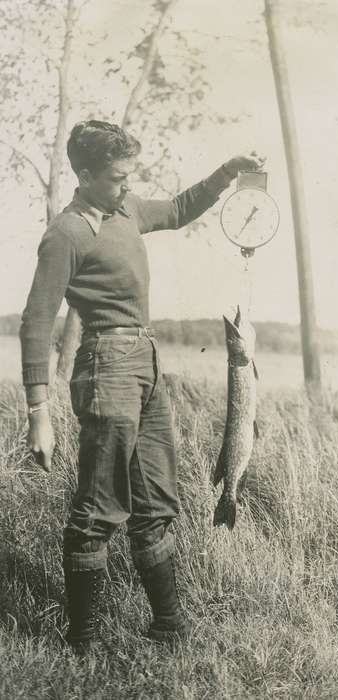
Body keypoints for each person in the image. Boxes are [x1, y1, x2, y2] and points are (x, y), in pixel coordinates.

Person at [20, 119, 263, 654]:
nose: (128, 186)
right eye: (117, 176)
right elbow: (37, 322)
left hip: (145, 362)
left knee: (156, 499)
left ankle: (168, 624)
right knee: (100, 506)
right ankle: (81, 641)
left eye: (130, 176)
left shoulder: (126, 209)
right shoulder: (66, 233)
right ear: (84, 175)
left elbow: (178, 209)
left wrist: (227, 172)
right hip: (106, 364)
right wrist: (39, 409)